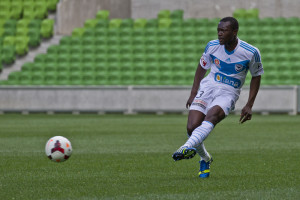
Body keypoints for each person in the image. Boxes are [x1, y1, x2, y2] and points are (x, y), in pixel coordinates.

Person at [172, 17, 264, 178]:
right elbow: (202, 66)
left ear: (234, 32)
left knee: (211, 116)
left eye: (223, 31)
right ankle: (205, 158)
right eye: (218, 30)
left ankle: (185, 148)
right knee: (191, 127)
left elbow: (256, 76)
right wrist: (193, 93)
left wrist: (249, 104)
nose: (219, 34)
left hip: (229, 92)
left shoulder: (251, 52)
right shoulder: (212, 46)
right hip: (208, 87)